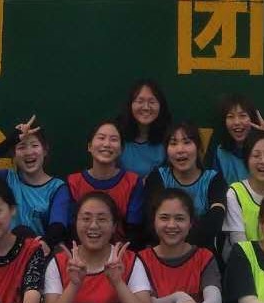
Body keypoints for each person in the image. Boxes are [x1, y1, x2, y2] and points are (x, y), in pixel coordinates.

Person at [0, 114, 71, 247]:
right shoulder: (6, 178)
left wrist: (43, 245)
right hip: (3, 251)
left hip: (38, 251)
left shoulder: (57, 188)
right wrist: (11, 140)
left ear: (45, 150)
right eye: (21, 147)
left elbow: (58, 226)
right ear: (13, 154)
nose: (29, 152)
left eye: (34, 145)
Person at [143, 121, 227, 252]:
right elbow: (151, 221)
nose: (180, 150)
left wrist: (182, 243)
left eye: (187, 142)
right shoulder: (158, 177)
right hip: (163, 252)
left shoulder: (214, 180)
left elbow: (215, 221)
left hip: (202, 252)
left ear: (198, 147)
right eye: (173, 143)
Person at [66, 120, 146, 241]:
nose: (107, 144)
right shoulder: (73, 182)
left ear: (121, 149)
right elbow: (71, 229)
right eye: (101, 138)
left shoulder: (133, 182)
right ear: (89, 146)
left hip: (121, 250)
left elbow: (134, 229)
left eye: (114, 139)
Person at [118, 78, 171, 176]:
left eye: (152, 102)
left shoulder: (170, 140)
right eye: (140, 101)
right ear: (130, 105)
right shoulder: (116, 138)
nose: (146, 107)